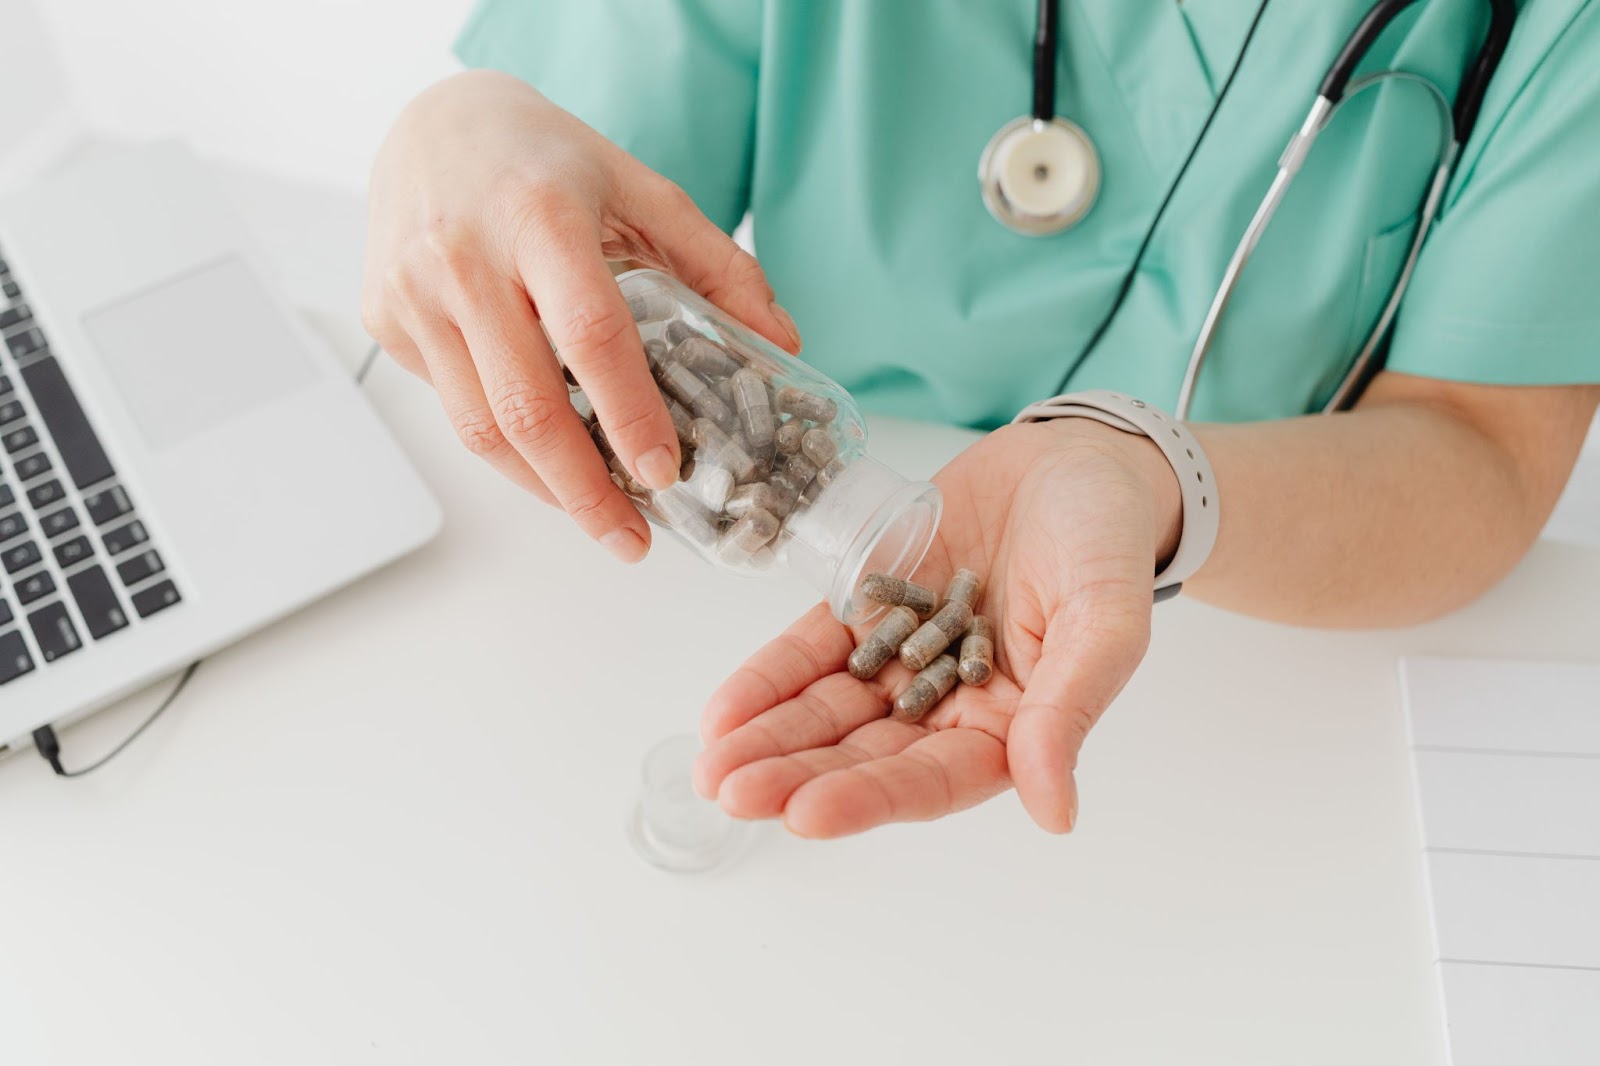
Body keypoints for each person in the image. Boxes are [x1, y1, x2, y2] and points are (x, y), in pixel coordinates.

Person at [362, 2, 1600, 839]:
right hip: (648, 633)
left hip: (1261, 689)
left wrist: (1143, 475)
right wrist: (455, 139)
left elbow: (1481, 445)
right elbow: (578, 205)